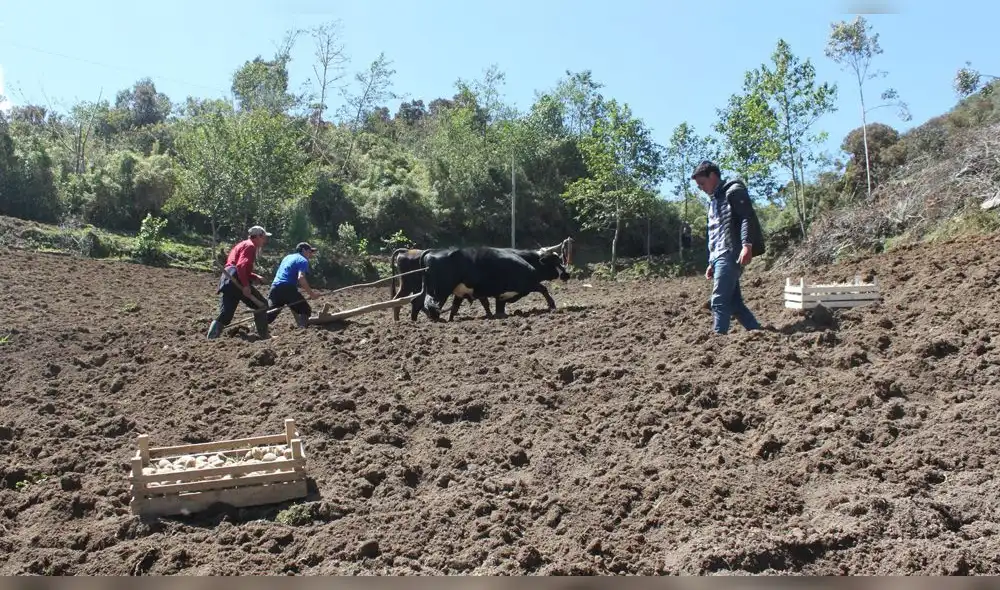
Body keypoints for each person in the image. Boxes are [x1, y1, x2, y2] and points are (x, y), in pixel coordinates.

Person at [691, 160, 765, 335]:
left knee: (718, 300)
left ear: (713, 176)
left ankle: (717, 340)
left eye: (702, 183)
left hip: (730, 252)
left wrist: (747, 245)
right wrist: (712, 261)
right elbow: (716, 233)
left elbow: (746, 217)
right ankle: (757, 332)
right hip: (719, 256)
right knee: (734, 303)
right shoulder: (714, 201)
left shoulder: (733, 190)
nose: (701, 188)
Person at [206, 225, 272, 340]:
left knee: (226, 315)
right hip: (236, 279)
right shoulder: (251, 246)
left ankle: (211, 338)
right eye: (264, 237)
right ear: (258, 237)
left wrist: (255, 276)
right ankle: (264, 336)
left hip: (228, 279)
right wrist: (246, 286)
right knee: (262, 304)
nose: (265, 241)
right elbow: (241, 266)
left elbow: (238, 266)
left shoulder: (243, 244)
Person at [267, 242, 320, 329]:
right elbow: (301, 278)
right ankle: (302, 330)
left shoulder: (287, 257)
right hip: (287, 287)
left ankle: (252, 328)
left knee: (269, 315)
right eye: (309, 251)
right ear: (303, 250)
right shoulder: (303, 260)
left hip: (275, 287)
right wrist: (312, 294)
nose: (311, 255)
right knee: (305, 309)